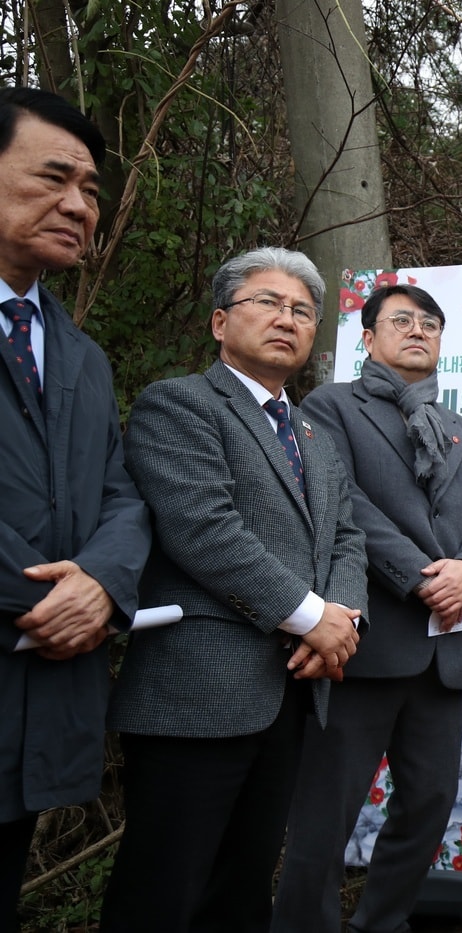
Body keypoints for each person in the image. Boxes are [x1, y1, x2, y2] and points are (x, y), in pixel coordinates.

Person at [101, 247, 368, 932]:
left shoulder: (316, 433)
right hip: (196, 695)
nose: (288, 319)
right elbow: (205, 530)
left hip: (289, 693)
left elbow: (347, 538)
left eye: (303, 311)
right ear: (221, 321)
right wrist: (311, 616)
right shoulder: (180, 404)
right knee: (162, 890)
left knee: (242, 891)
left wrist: (343, 620)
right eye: (268, 303)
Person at [273, 283, 462, 932]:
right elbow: (341, 501)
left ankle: (380, 921)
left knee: (431, 804)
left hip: (445, 650)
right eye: (400, 320)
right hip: (362, 644)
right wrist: (421, 575)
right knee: (327, 813)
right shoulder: (330, 406)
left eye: (429, 323)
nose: (417, 330)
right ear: (369, 338)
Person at [0, 87, 150, 930]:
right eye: (53, 177)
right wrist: (47, 598)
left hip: (43, 701)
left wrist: (102, 579)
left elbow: (121, 491)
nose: (77, 205)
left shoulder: (80, 355)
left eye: (91, 189)